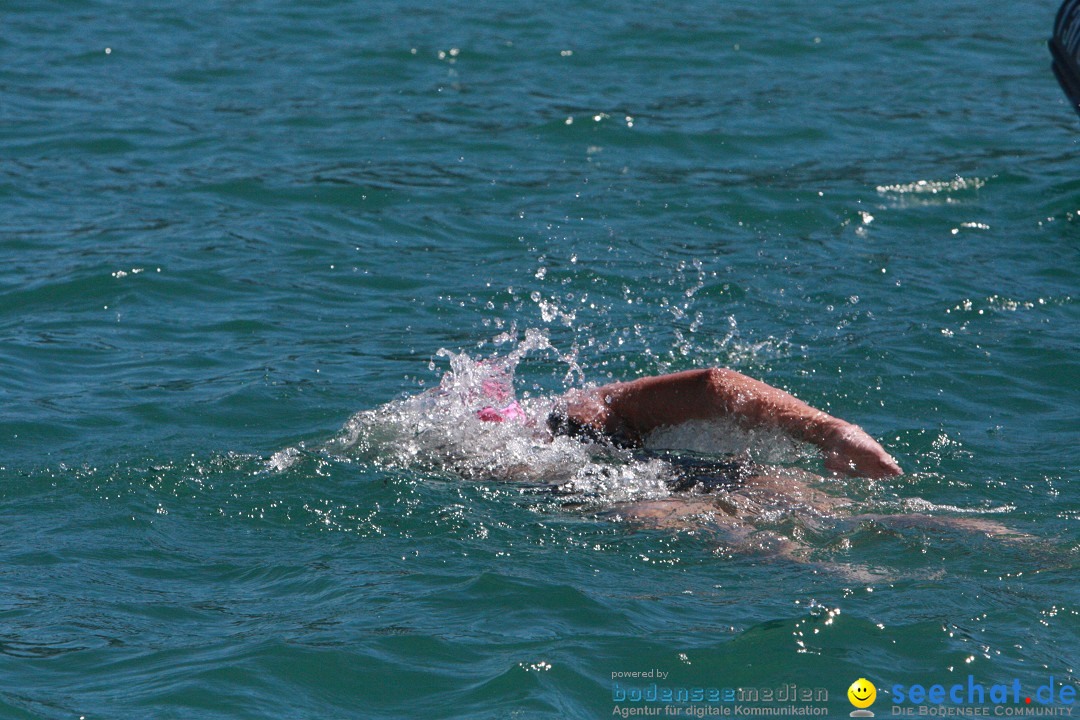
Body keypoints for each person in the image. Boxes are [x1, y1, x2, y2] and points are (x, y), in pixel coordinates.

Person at [479, 367, 902, 480]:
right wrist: (833, 432)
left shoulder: (576, 413)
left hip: (652, 502)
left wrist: (835, 432)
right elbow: (713, 386)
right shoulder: (591, 407)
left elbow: (712, 385)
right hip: (703, 481)